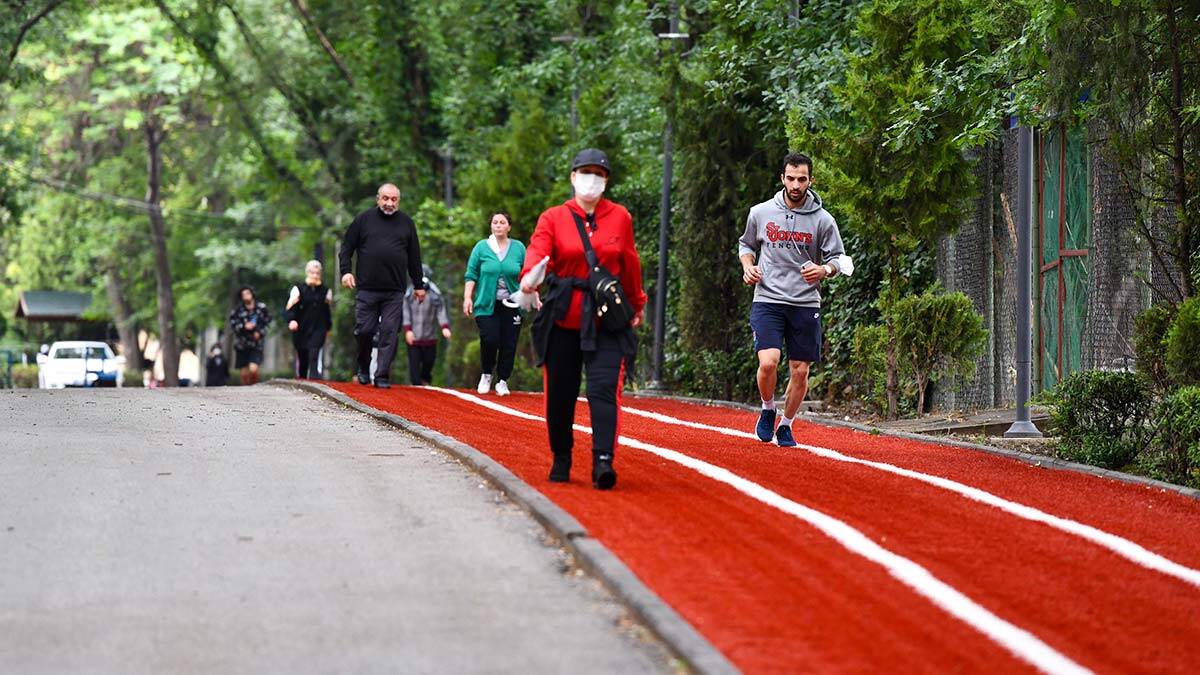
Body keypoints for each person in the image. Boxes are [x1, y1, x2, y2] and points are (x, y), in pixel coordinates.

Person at [522, 149, 646, 490]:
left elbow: (629, 263)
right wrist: (529, 275)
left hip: (607, 319)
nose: (592, 179)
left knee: (604, 390)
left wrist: (636, 304)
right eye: (585, 172)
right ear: (573, 177)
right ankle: (561, 456)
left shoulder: (620, 217)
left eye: (599, 173)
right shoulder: (553, 217)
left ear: (606, 180)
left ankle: (603, 460)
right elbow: (538, 251)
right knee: (559, 393)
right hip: (564, 317)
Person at [739, 152, 847, 447]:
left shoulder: (823, 220)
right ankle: (767, 408)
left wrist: (824, 269)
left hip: (805, 302)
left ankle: (786, 425)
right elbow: (746, 244)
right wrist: (749, 267)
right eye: (791, 178)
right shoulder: (760, 213)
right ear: (782, 178)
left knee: (800, 370)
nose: (796, 184)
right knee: (769, 363)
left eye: (802, 179)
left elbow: (840, 259)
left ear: (811, 180)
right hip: (768, 298)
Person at [338, 183, 426, 389]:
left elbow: (414, 257)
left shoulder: (406, 223)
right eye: (385, 198)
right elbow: (346, 248)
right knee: (364, 331)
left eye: (393, 199)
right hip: (367, 288)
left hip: (394, 290)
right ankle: (363, 367)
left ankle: (382, 375)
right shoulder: (363, 220)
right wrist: (346, 272)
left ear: (398, 201)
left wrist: (419, 284)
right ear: (378, 199)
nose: (389, 203)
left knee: (389, 331)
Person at [464, 211, 527, 396]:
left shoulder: (518, 248)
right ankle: (486, 374)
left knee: (509, 343)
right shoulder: (481, 248)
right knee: (490, 339)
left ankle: (502, 380)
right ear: (491, 226)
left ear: (509, 227)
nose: (498, 225)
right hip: (486, 304)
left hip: (512, 304)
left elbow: (528, 273)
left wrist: (532, 294)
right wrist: (467, 297)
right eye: (495, 222)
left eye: (502, 222)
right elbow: (471, 274)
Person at [403, 264, 452, 385]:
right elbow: (405, 312)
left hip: (430, 335)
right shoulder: (409, 295)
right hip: (413, 336)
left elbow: (441, 311)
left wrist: (444, 327)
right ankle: (415, 386)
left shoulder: (435, 294)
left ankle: (425, 380)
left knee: (428, 362)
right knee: (414, 365)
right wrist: (408, 330)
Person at [286, 259, 333, 379]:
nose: (315, 275)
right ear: (307, 272)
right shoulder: (298, 289)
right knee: (303, 357)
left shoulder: (325, 291)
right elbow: (291, 308)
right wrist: (292, 320)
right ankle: (302, 379)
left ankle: (314, 379)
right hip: (301, 328)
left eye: (317, 273)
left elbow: (327, 311)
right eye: (312, 272)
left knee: (314, 353)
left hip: (319, 327)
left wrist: (328, 327)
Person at [229, 286, 271, 385]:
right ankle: (246, 391)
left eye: (248, 293)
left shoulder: (261, 308)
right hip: (242, 344)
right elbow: (233, 325)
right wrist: (244, 326)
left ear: (252, 294)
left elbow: (267, 321)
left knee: (253, 369)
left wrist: (260, 332)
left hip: (256, 344)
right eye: (243, 295)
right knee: (244, 373)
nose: (246, 296)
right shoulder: (238, 310)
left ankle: (253, 387)